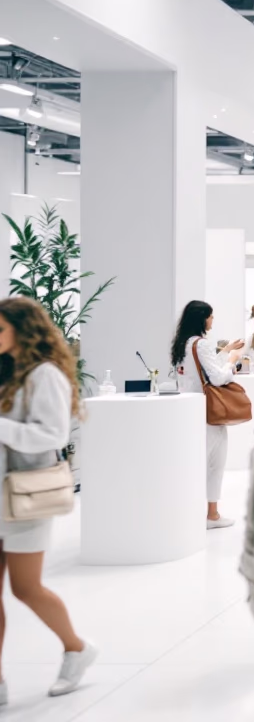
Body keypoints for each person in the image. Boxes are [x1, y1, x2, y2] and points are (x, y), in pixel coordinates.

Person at [0, 298, 98, 700]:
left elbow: (53, 435)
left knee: (26, 588)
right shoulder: (5, 370)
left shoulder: (45, 375)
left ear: (23, 331)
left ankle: (78, 649)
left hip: (26, 496)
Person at [171, 300, 244, 528]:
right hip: (209, 410)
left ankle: (195, 512)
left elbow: (199, 370)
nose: (213, 320)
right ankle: (211, 514)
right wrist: (232, 363)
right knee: (214, 463)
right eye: (211, 316)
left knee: (196, 462)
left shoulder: (183, 343)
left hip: (190, 410)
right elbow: (217, 378)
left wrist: (225, 352)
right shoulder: (201, 344)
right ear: (202, 318)